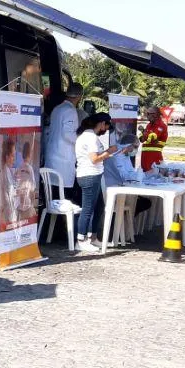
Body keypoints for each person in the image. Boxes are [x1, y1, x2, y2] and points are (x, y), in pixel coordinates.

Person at [74, 112, 121, 252]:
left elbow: (96, 156)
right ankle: (81, 240)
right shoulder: (90, 138)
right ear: (101, 124)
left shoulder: (90, 136)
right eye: (106, 126)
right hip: (89, 175)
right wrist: (109, 151)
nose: (106, 130)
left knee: (99, 206)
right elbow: (94, 159)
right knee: (88, 208)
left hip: (93, 175)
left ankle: (93, 238)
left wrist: (107, 152)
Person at [43, 81, 84, 201]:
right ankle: (63, 220)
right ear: (79, 96)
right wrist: (82, 140)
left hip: (53, 157)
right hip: (62, 160)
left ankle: (53, 220)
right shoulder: (70, 111)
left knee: (52, 197)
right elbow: (68, 134)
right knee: (63, 197)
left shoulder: (57, 108)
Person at [138, 105, 168, 171]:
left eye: (149, 113)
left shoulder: (161, 125)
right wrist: (144, 134)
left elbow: (152, 138)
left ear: (156, 114)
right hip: (145, 157)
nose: (147, 115)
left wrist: (143, 132)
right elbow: (142, 139)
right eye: (147, 113)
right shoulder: (149, 125)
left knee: (153, 178)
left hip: (154, 158)